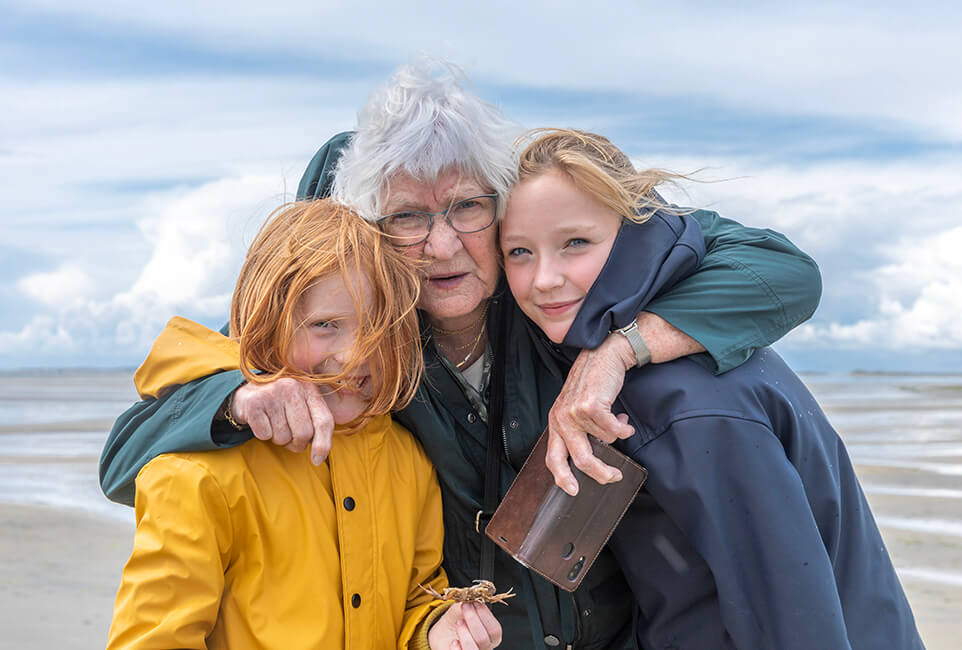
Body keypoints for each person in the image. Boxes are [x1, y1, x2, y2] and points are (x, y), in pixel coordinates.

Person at [100, 62, 823, 648]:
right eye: (407, 217)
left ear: (499, 204)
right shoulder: (349, 347)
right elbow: (128, 455)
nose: (442, 246)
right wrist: (238, 398)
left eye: (467, 209)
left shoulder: (554, 295)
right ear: (368, 229)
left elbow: (782, 271)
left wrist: (617, 353)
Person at [501, 128, 924, 649]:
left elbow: (792, 621)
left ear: (634, 234)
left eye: (576, 243)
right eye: (519, 251)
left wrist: (619, 349)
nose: (544, 278)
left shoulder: (684, 407)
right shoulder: (672, 329)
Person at [106, 199, 502, 650]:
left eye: (376, 325)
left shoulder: (408, 459)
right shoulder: (199, 474)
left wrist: (434, 632)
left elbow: (416, 595)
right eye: (325, 325)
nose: (355, 354)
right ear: (265, 326)